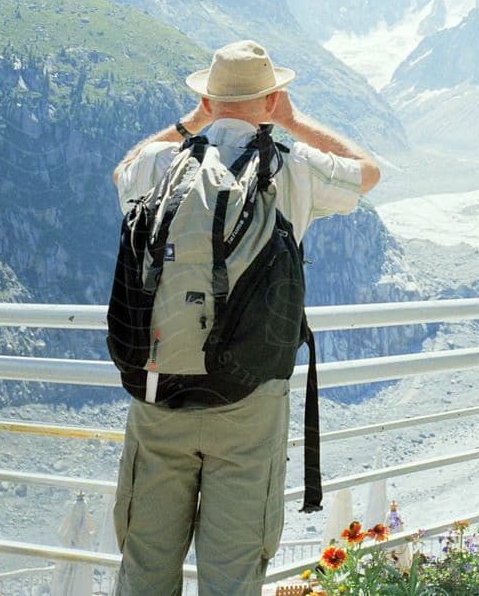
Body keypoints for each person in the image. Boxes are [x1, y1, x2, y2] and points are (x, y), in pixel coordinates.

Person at [110, 39, 381, 595]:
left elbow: (122, 172)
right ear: (269, 99)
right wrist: (293, 119)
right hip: (249, 403)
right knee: (232, 576)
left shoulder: (163, 165)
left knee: (144, 570)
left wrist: (191, 123)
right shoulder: (292, 168)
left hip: (160, 391)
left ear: (208, 100)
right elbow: (367, 172)